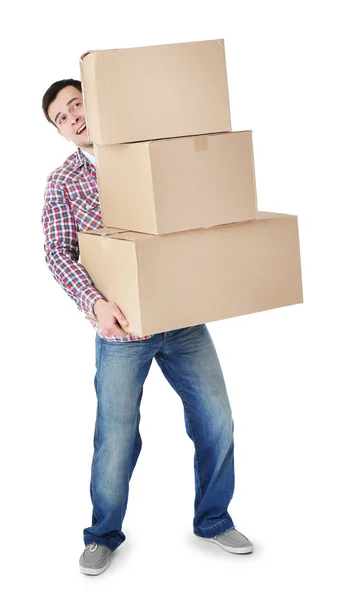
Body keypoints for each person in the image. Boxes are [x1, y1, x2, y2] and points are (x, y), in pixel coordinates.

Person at [41, 78, 254, 576]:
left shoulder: (156, 154)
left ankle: (214, 519)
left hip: (182, 320)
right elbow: (57, 252)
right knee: (116, 438)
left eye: (76, 104)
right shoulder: (63, 182)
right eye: (62, 118)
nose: (73, 117)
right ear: (61, 133)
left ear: (96, 100)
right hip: (120, 333)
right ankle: (102, 535)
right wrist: (93, 303)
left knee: (216, 419)